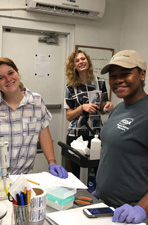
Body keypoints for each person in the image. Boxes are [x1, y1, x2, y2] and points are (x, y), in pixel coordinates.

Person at [95, 50, 148, 224]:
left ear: (142, 74)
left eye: (125, 74)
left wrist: (141, 209)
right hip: (108, 208)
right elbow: (112, 152)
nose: (118, 80)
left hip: (136, 213)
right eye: (113, 76)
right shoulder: (119, 109)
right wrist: (100, 188)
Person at [64, 50, 113, 178]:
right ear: (73, 66)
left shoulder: (100, 82)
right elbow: (68, 116)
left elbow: (102, 108)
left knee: (98, 172)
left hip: (96, 134)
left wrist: (108, 106)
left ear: (88, 61)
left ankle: (96, 197)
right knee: (77, 174)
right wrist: (81, 108)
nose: (81, 62)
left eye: (83, 59)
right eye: (77, 60)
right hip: (76, 136)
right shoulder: (70, 87)